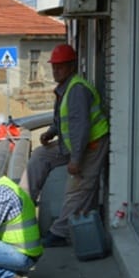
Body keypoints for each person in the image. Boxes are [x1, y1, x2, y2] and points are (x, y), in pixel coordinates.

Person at [24, 44, 109, 247]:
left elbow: (81, 128)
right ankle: (24, 208)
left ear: (71, 66)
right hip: (73, 145)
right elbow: (63, 119)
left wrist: (76, 161)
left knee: (76, 188)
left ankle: (60, 233)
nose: (55, 71)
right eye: (54, 67)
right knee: (40, 156)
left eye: (60, 67)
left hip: (91, 145)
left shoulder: (77, 90)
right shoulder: (65, 88)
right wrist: (51, 132)